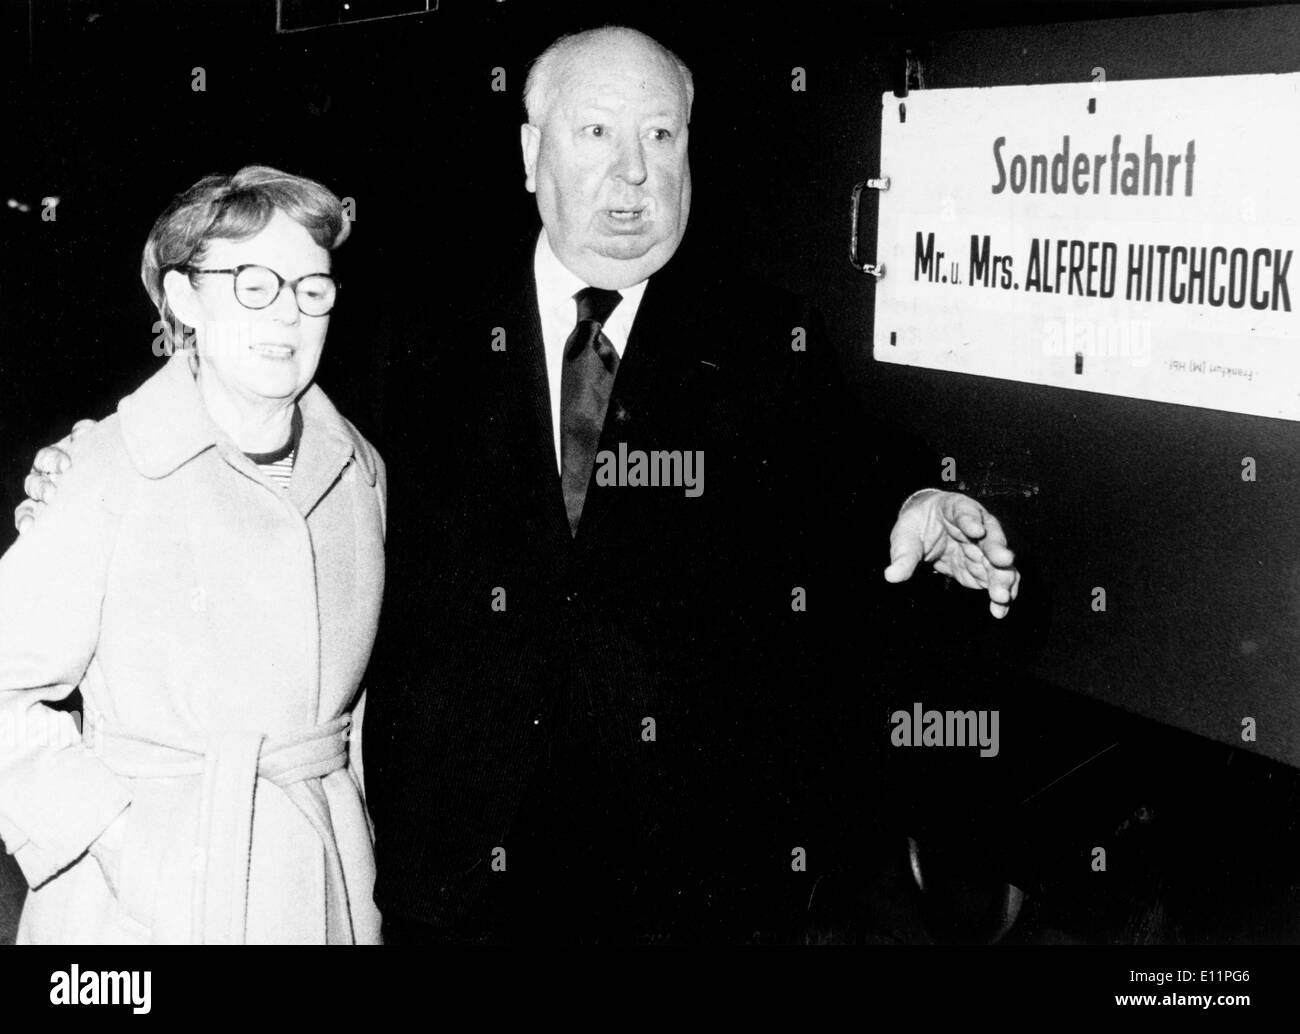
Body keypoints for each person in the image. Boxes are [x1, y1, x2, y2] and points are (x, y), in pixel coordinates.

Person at [18, 28, 1018, 943]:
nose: (633, 169)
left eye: (661, 134)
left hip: (691, 880)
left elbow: (850, 470)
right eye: (595, 131)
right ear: (531, 153)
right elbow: (255, 396)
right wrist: (92, 455)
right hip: (453, 866)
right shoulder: (414, 324)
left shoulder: (765, 339)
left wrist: (916, 503)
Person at [1, 165, 386, 944]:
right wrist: (121, 842)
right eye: (252, 283)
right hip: (139, 910)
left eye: (312, 287)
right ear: (183, 300)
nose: (287, 314)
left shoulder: (360, 472)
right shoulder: (107, 469)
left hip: (319, 888)